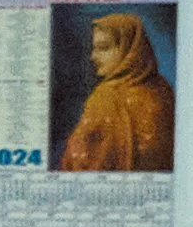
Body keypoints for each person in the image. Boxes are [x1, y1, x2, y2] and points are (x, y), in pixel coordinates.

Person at [57, 11, 175, 172]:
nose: (93, 56)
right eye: (94, 48)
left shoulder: (106, 96)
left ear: (130, 49)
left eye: (103, 48)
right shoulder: (164, 90)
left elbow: (80, 164)